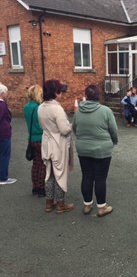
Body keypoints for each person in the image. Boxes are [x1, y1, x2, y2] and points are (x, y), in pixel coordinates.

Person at [72, 84, 118, 217]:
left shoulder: (78, 111)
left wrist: (82, 139)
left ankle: (87, 205)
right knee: (100, 178)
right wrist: (114, 141)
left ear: (86, 95)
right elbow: (113, 130)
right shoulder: (106, 111)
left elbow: (75, 128)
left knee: (86, 176)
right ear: (98, 95)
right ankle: (101, 207)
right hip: (102, 149)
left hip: (83, 148)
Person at [38, 79, 74, 214]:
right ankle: (60, 204)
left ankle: (49, 203)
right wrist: (71, 125)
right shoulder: (57, 108)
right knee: (60, 174)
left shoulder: (40, 107)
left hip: (46, 143)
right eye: (60, 91)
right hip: (58, 145)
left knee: (49, 174)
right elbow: (64, 130)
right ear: (55, 93)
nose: (62, 94)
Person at [23, 85, 46, 197]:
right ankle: (41, 188)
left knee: (35, 164)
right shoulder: (38, 108)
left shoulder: (26, 107)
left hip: (31, 138)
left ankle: (35, 187)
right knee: (42, 165)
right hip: (40, 138)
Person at [0, 83, 17, 185]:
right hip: (3, 133)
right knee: (5, 155)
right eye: (6, 93)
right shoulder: (1, 105)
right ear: (2, 93)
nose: (7, 94)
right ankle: (3, 177)